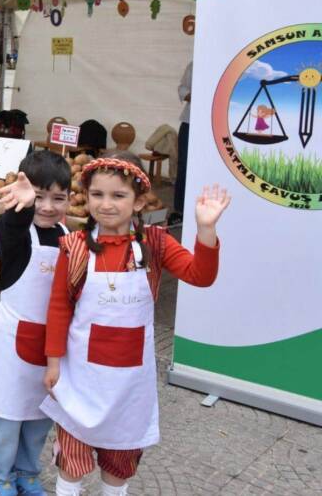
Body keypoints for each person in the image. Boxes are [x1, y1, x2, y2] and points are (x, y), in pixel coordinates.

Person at [41, 152, 229, 496]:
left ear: (139, 201)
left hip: (130, 383)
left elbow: (200, 276)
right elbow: (58, 308)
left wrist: (206, 229)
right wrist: (53, 361)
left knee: (121, 459)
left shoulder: (155, 244)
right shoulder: (76, 247)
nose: (106, 204)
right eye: (97, 195)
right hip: (81, 375)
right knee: (72, 457)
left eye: (118, 195)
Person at [0, 151, 71, 496]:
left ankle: (27, 473)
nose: (47, 206)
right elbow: (12, 224)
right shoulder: (14, 233)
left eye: (57, 198)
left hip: (51, 345)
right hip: (12, 342)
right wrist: (24, 207)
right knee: (6, 417)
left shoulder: (66, 235)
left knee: (39, 416)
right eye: (39, 197)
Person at [173, 60, 193, 222]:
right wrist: (192, 96)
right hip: (189, 122)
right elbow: (182, 88)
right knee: (184, 166)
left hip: (214, 125)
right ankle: (180, 209)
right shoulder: (194, 63)